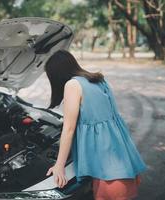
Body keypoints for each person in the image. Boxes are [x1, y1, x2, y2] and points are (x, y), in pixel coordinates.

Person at [45, 50, 146, 200]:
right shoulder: (97, 80)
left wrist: (59, 166)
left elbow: (69, 129)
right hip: (121, 156)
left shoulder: (72, 85)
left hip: (105, 164)